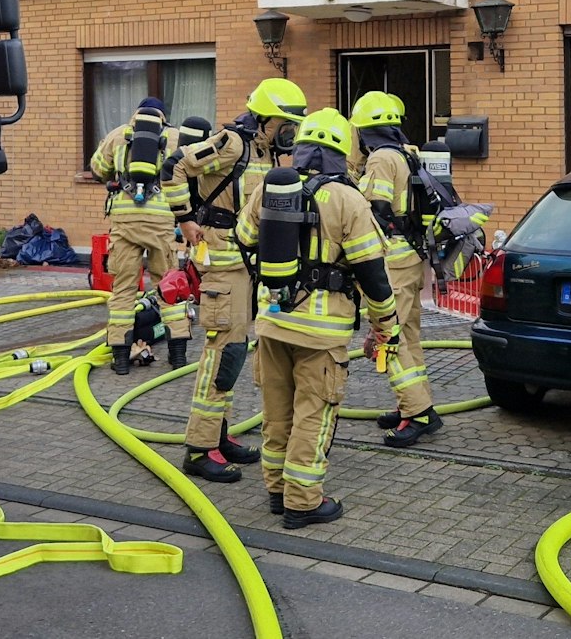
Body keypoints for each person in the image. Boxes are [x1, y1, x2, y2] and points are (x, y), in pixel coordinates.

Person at [237, 108, 400, 529]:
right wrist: (387, 327)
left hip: (272, 321)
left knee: (276, 413)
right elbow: (372, 274)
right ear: (343, 151)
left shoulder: (271, 187)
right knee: (313, 414)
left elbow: (244, 238)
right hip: (321, 335)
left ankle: (277, 491)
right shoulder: (349, 199)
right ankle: (304, 501)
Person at [163, 78, 308, 483]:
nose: (290, 133)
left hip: (245, 265)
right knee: (221, 354)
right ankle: (198, 449)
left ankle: (219, 436)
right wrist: (185, 219)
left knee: (235, 352)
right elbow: (173, 167)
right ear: (265, 120)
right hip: (223, 265)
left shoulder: (263, 150)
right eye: (286, 124)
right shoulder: (232, 143)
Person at [350, 91, 441, 448]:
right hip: (412, 257)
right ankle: (416, 404)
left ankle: (417, 413)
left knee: (391, 336)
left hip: (393, 261)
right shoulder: (407, 153)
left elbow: (374, 209)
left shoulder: (381, 159)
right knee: (410, 336)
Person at [89, 96, 189, 375]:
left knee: (123, 290)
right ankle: (178, 355)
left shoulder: (118, 134)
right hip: (161, 222)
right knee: (169, 286)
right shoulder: (175, 137)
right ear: (163, 117)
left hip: (125, 222)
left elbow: (97, 169)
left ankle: (121, 358)